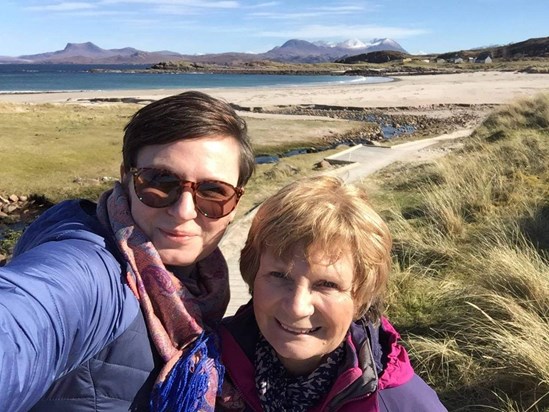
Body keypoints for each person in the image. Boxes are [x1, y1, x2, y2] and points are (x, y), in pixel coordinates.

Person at [0, 91, 255, 411]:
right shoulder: (91, 271)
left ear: (236, 204)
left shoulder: (204, 281)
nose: (184, 210)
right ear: (126, 177)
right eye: (161, 182)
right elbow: (22, 318)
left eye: (214, 191)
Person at [217, 176, 447, 411]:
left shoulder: (400, 404)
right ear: (253, 276)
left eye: (326, 284)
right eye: (279, 276)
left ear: (360, 299)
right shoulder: (203, 369)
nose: (298, 307)